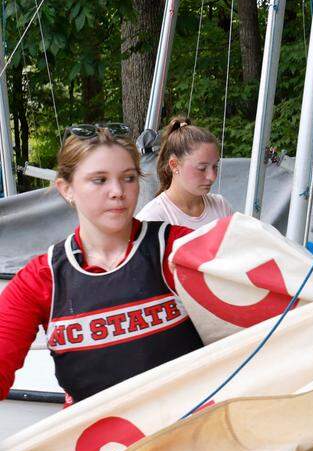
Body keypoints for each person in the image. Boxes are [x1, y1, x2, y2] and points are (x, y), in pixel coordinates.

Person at [0, 124, 205, 406]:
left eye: (129, 178)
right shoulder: (42, 278)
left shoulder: (178, 248)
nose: (118, 191)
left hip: (185, 436)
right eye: (99, 180)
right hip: (96, 443)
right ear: (66, 189)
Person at [135, 116, 233, 230]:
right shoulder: (152, 219)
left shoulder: (221, 206)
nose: (212, 177)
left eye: (215, 166)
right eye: (202, 168)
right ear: (174, 165)